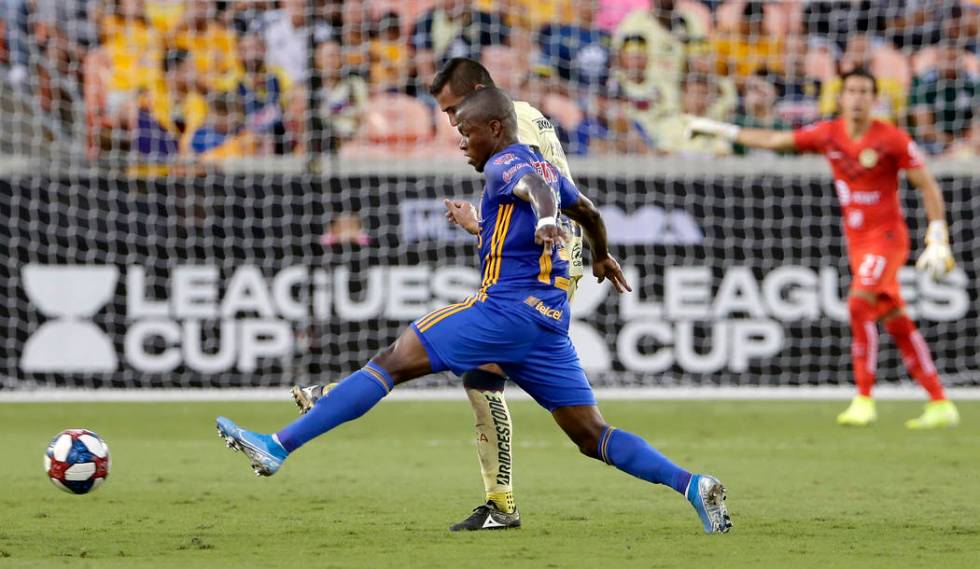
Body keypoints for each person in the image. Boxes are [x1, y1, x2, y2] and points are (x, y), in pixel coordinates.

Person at [216, 86, 732, 535]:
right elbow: (588, 211)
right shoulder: (542, 163)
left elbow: (539, 194)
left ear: (495, 127)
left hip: (504, 313)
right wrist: (597, 252)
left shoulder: (509, 161)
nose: (461, 142)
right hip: (548, 327)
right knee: (591, 435)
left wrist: (549, 218)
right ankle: (693, 485)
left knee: (393, 361)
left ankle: (277, 446)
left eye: (466, 131)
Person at [295, 57, 587, 532]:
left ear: (478, 93)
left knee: (477, 372)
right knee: (481, 376)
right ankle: (499, 501)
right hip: (552, 259)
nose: (452, 124)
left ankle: (499, 501)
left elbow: (538, 188)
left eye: (454, 111)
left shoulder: (513, 133)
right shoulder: (525, 115)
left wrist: (546, 223)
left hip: (544, 265)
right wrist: (483, 226)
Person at [687, 68, 960, 429]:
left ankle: (864, 397)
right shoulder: (829, 133)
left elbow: (927, 184)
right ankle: (940, 402)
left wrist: (937, 235)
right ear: (841, 97)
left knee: (859, 302)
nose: (858, 98)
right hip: (858, 242)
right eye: (851, 91)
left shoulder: (891, 138)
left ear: (874, 99)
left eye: (865, 91)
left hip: (888, 239)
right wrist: (722, 130)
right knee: (894, 318)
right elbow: (774, 141)